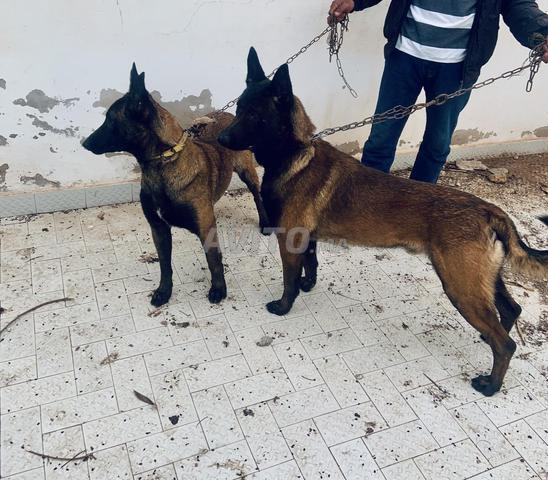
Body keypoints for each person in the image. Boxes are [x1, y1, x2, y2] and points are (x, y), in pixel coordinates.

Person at [328, 0, 548, 183]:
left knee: (437, 145)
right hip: (404, 56)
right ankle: (366, 204)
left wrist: (542, 32)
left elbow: (517, 4)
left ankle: (418, 210)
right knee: (381, 139)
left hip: (458, 67)